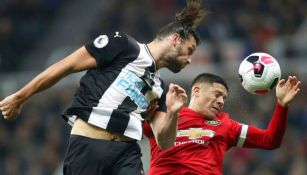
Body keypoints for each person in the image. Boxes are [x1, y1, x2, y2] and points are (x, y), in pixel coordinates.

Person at [0, 1, 208, 174]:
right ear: (174, 40)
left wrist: (172, 111)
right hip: (88, 145)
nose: (190, 60)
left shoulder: (162, 89)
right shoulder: (124, 46)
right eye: (189, 50)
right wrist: (20, 96)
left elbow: (164, 141)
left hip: (127, 154)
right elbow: (67, 65)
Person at [144, 73, 301, 175]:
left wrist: (282, 104)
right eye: (217, 94)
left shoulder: (225, 125)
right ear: (197, 91)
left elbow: (270, 140)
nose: (220, 102)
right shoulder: (164, 114)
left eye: (224, 98)